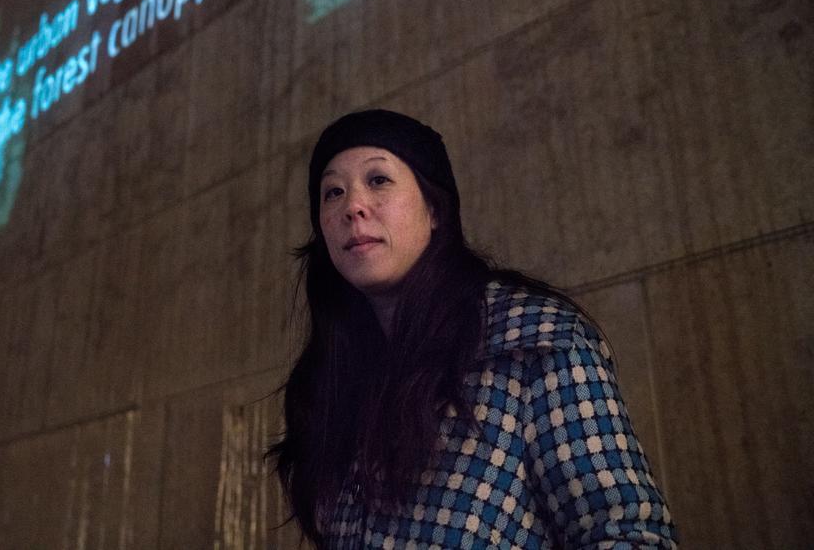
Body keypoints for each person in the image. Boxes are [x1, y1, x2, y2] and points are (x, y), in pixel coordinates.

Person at [269, 109, 676, 549]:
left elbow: (631, 536)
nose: (353, 206)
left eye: (379, 180)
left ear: (434, 208)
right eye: (333, 192)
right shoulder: (335, 375)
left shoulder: (534, 340)